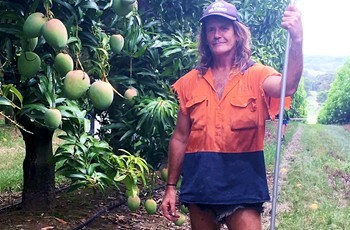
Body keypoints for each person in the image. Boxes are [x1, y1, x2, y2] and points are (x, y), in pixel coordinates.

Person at [161, 1, 303, 229]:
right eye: (211, 29)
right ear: (205, 37)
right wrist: (170, 186)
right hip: (201, 186)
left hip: (242, 187)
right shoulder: (189, 82)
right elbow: (180, 137)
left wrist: (296, 41)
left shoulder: (257, 75)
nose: (217, 34)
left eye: (224, 28)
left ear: (237, 34)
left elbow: (289, 86)